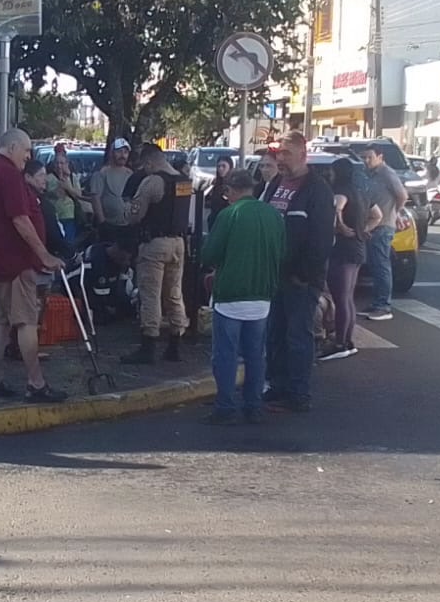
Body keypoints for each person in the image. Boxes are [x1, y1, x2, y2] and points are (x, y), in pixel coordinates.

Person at [0, 128, 66, 403]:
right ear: (12, 147)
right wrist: (44, 255)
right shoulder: (9, 175)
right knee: (26, 323)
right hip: (13, 263)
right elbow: (20, 220)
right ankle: (36, 383)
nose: (28, 156)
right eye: (25, 151)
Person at [201, 170, 285, 425]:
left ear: (232, 190)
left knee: (225, 356)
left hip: (230, 296)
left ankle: (225, 407)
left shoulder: (229, 215)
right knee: (255, 356)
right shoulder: (273, 215)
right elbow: (282, 253)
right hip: (262, 296)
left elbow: (209, 254)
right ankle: (253, 406)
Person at [262, 134, 335, 413]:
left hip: (300, 280)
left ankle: (298, 394)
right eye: (279, 153)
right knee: (275, 333)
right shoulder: (275, 185)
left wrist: (304, 274)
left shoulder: (317, 190)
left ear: (303, 155)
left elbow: (321, 239)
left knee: (298, 336)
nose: (281, 158)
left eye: (287, 154)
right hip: (275, 275)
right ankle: (277, 385)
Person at [120, 143, 193, 364]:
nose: (144, 169)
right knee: (174, 293)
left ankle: (148, 346)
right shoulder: (183, 180)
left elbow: (135, 214)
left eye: (145, 165)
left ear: (150, 162)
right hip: (178, 243)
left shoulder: (153, 181)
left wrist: (128, 211)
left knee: (150, 294)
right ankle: (175, 344)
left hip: (155, 244)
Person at [322, 157, 380, 362]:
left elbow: (338, 206)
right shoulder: (362, 192)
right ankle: (347, 341)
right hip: (358, 247)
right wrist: (362, 230)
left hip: (343, 249)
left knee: (341, 297)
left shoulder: (341, 192)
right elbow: (377, 215)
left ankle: (340, 343)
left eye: (331, 171)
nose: (329, 174)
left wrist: (341, 226)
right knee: (348, 297)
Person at [357, 145, 405, 322]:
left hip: (383, 225)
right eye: (364, 157)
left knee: (381, 266)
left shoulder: (387, 173)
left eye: (370, 157)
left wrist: (395, 212)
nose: (366, 161)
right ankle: (377, 302)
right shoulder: (369, 174)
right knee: (375, 266)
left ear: (380, 157)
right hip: (373, 224)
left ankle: (383, 306)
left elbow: (402, 195)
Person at [87, 137, 134, 228]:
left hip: (127, 225)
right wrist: (102, 223)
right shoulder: (102, 173)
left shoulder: (130, 174)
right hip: (109, 224)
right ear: (112, 153)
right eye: (119, 151)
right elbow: (95, 199)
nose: (122, 155)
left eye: (125, 152)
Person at [45, 149, 84, 244]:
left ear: (67, 164)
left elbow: (78, 195)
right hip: (54, 216)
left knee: (69, 242)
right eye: (57, 163)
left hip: (69, 216)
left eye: (62, 163)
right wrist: (55, 192)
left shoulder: (72, 177)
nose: (59, 166)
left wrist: (68, 187)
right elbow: (44, 195)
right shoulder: (48, 178)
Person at [204, 156, 235, 232]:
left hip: (227, 221)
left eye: (224, 166)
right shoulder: (216, 183)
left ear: (230, 167)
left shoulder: (233, 184)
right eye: (219, 166)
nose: (221, 169)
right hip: (214, 220)